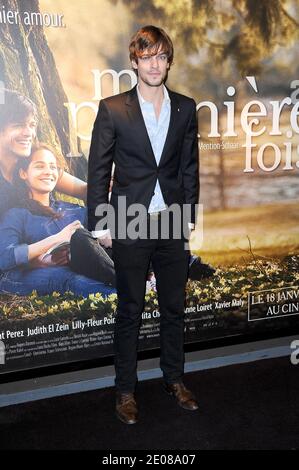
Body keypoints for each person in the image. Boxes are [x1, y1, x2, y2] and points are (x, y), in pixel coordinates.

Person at [88, 25, 200, 424]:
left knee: (174, 307)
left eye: (161, 56)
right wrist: (102, 224)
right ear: (134, 61)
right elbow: (99, 171)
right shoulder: (113, 108)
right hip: (129, 222)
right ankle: (124, 391)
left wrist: (187, 218)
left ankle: (174, 379)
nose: (155, 64)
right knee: (130, 311)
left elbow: (189, 168)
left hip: (171, 221)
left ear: (169, 61)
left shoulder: (186, 108)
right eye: (147, 56)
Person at [0, 144, 116, 297]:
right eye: (39, 166)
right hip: (26, 274)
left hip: (80, 263)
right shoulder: (17, 215)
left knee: (86, 236)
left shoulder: (73, 209)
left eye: (53, 167)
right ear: (23, 173)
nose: (48, 172)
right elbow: (5, 258)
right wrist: (57, 239)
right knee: (69, 276)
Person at [0, 89, 87, 220]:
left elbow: (86, 191)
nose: (29, 133)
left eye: (32, 125)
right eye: (18, 125)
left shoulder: (33, 161)